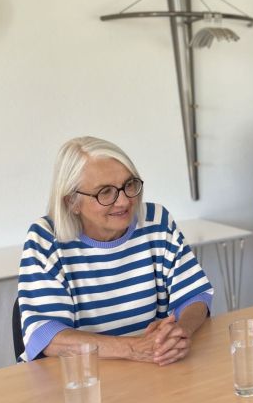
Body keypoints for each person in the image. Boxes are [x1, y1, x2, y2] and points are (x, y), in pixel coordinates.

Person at [17, 136, 214, 366]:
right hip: (79, 375)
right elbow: (46, 335)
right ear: (72, 202)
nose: (124, 201)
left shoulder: (156, 221)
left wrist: (180, 333)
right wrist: (132, 348)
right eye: (105, 192)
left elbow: (195, 295)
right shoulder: (45, 239)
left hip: (151, 367)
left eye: (129, 185)